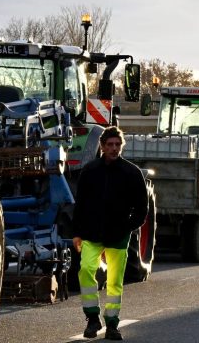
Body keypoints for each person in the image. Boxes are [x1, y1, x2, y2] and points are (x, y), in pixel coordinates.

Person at [73, 126, 148, 340]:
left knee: (115, 281)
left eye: (117, 145)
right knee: (86, 269)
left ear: (121, 146)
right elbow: (80, 205)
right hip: (91, 233)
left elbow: (142, 208)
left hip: (118, 236)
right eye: (110, 145)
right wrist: (77, 232)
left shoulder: (132, 173)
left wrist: (128, 227)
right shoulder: (89, 171)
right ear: (102, 147)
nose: (114, 149)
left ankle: (112, 325)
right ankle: (92, 318)